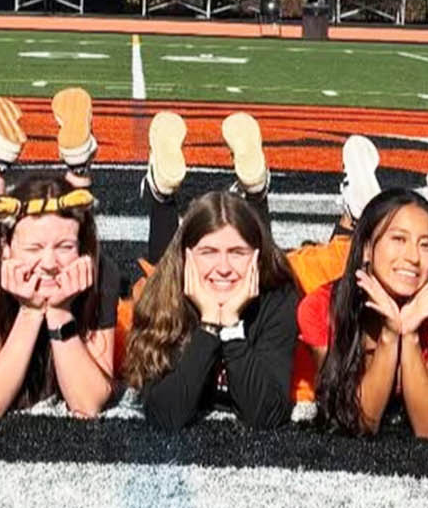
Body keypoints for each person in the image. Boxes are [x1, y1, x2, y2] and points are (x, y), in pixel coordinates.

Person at [125, 111, 301, 430]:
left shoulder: (278, 296)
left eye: (237, 253)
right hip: (175, 273)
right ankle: (255, 191)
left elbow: (267, 416)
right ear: (189, 257)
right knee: (163, 268)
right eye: (208, 253)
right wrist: (208, 326)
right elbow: (164, 415)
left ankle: (162, 195)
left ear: (254, 257)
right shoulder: (164, 291)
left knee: (271, 256)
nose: (223, 267)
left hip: (263, 270)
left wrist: (231, 326)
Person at [0, 90, 120, 419]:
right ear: (7, 249)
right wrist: (30, 313)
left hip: (40, 266)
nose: (48, 263)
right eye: (32, 249)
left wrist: (59, 312)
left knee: (72, 220)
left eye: (66, 248)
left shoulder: (101, 271)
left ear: (83, 251)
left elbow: (87, 404)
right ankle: (74, 163)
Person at [301, 188, 428, 439]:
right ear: (367, 249)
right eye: (398, 239)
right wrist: (390, 335)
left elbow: (427, 428)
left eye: (426, 245)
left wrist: (411, 336)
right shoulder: (321, 308)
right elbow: (361, 423)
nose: (414, 257)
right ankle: (354, 200)